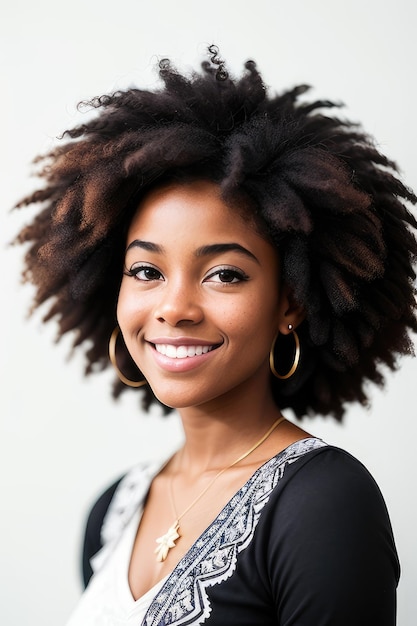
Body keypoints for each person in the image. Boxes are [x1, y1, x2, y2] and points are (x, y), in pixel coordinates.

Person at [15, 46, 417, 625]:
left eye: (224, 274)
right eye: (146, 272)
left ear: (291, 303)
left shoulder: (322, 502)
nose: (174, 308)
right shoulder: (113, 511)